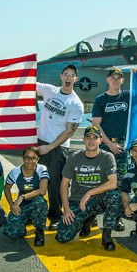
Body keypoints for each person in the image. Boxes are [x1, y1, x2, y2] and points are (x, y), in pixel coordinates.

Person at [36, 64, 84, 231]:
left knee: (55, 184)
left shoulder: (76, 104)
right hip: (40, 143)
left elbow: (69, 132)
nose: (69, 78)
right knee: (35, 180)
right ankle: (31, 214)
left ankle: (55, 216)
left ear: (75, 79)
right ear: (61, 77)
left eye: (72, 75)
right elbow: (29, 85)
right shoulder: (50, 91)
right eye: (66, 74)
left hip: (58, 148)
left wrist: (49, 147)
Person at [56, 126, 119, 251]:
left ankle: (106, 235)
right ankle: (87, 220)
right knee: (62, 236)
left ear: (100, 140)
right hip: (78, 201)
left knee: (114, 195)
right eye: (88, 137)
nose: (91, 141)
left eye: (95, 138)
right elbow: (64, 183)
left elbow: (113, 183)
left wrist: (90, 192)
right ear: (83, 140)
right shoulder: (74, 157)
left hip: (98, 200)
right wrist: (66, 208)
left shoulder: (107, 157)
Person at [91, 67, 131, 232]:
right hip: (106, 145)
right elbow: (96, 124)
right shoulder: (100, 100)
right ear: (107, 79)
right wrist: (109, 144)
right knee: (98, 181)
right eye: (112, 77)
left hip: (123, 146)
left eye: (119, 78)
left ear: (123, 80)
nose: (115, 80)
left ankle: (116, 218)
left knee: (120, 183)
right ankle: (91, 216)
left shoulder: (128, 96)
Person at [3, 147, 49, 246]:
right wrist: (12, 205)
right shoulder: (15, 172)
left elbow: (42, 190)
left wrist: (22, 197)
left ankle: (39, 230)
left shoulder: (41, 169)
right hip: (22, 204)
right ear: (23, 158)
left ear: (38, 159)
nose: (30, 161)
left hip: (35, 201)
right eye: (27, 157)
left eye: (33, 158)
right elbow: (6, 188)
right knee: (12, 232)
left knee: (40, 203)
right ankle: (24, 222)